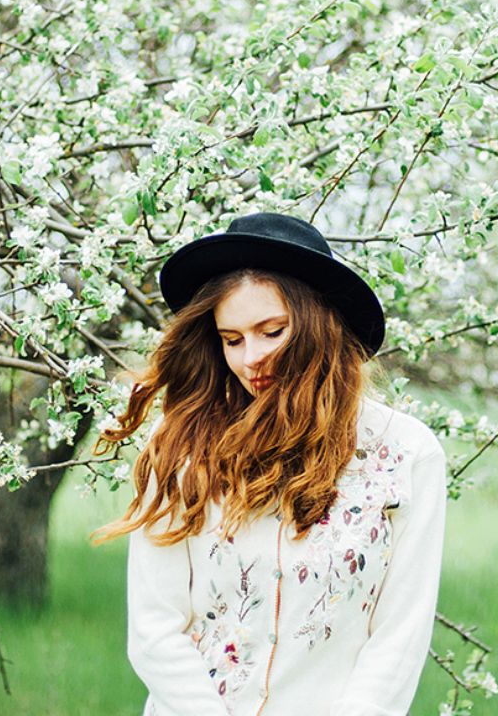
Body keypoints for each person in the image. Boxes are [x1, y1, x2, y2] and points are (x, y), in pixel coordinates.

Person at [93, 213, 447, 716]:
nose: (250, 358)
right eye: (232, 339)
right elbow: (155, 630)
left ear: (319, 327)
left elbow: (399, 636)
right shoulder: (183, 444)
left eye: (272, 332)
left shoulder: (407, 454)